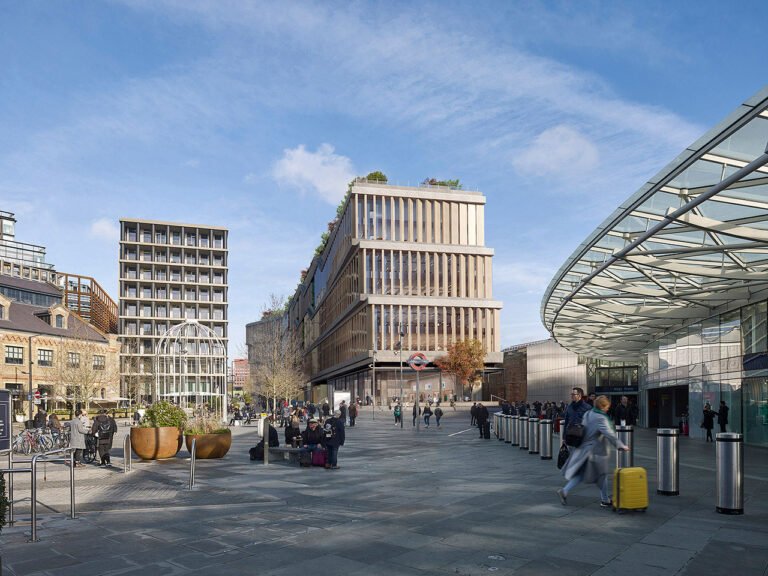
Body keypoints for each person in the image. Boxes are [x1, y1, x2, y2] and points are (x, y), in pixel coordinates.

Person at [557, 395, 629, 507]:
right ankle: (605, 500)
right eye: (607, 407)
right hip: (595, 451)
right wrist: (620, 445)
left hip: (584, 448)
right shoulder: (601, 418)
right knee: (602, 474)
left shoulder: (588, 413)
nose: (608, 409)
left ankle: (565, 491)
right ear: (602, 406)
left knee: (580, 474)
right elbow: (608, 433)